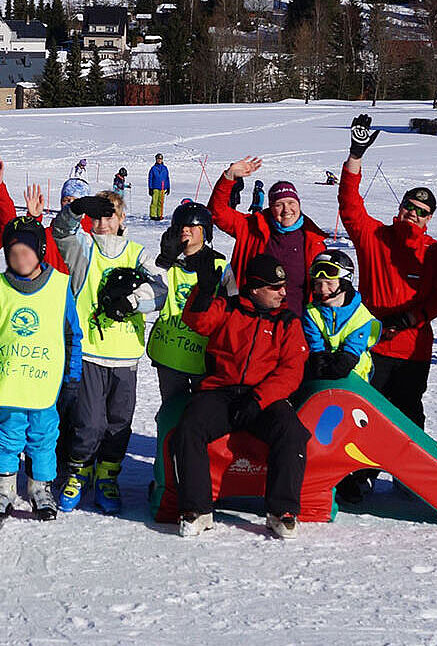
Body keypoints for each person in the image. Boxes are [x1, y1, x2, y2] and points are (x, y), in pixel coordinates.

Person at [336, 115, 437, 427]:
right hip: (371, 344)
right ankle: (361, 475)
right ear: (401, 207)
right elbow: (349, 206)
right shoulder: (375, 237)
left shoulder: (435, 253)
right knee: (366, 416)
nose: (413, 213)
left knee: (408, 419)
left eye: (421, 212)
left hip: (413, 350)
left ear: (429, 219)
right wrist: (355, 157)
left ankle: (405, 477)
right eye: (409, 206)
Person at [170, 255, 311, 539]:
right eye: (275, 287)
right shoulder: (228, 308)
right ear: (255, 288)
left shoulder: (287, 321)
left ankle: (281, 510)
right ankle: (197, 509)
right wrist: (205, 290)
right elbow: (196, 320)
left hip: (263, 397)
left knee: (292, 432)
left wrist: (258, 399)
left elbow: (291, 371)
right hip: (220, 391)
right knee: (189, 428)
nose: (283, 292)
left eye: (284, 286)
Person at [51, 193, 166, 515]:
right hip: (88, 352)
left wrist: (132, 301)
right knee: (87, 423)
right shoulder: (83, 249)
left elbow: (160, 289)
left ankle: (107, 476)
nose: (102, 224)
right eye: (97, 217)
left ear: (121, 220)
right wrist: (74, 210)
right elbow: (60, 232)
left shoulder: (136, 253)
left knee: (118, 422)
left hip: (126, 356)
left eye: (109, 216)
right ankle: (79, 472)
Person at [0, 207, 84, 525]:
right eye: (13, 251)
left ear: (40, 251)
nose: (20, 257)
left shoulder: (59, 287)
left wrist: (72, 380)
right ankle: (3, 490)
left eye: (27, 250)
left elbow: (73, 336)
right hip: (8, 384)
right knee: (5, 437)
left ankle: (39, 489)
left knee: (44, 437)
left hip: (45, 384)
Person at [302, 249, 381, 502]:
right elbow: (315, 346)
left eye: (329, 282)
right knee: (324, 430)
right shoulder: (312, 312)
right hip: (325, 382)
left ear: (344, 282)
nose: (322, 288)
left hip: (356, 384)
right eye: (318, 283)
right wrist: (319, 359)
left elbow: (351, 353)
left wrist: (338, 362)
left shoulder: (361, 315)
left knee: (353, 433)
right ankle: (323, 476)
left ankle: (355, 477)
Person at [211, 157, 332, 311]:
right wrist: (229, 176)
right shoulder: (251, 227)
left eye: (291, 203)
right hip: (253, 319)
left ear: (299, 204)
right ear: (270, 207)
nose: (286, 210)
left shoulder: (313, 240)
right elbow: (217, 212)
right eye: (279, 204)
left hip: (297, 323)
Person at [148, 202, 226, 402]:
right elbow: (148, 290)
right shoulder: (168, 264)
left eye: (192, 226)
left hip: (202, 359)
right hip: (170, 356)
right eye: (181, 226)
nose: (185, 230)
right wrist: (164, 260)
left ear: (204, 231)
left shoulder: (220, 266)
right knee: (171, 413)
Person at [0, 153, 71, 273]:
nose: (71, 205)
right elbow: (24, 240)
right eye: (66, 200)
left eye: (77, 201)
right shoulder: (48, 235)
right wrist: (33, 217)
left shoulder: (91, 234)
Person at [148, 153, 171, 221]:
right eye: (158, 159)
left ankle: (159, 215)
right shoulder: (153, 168)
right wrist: (150, 188)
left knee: (160, 202)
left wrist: (168, 187)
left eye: (160, 159)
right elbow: (150, 178)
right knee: (154, 202)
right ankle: (153, 215)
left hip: (162, 187)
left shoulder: (165, 168)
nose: (159, 160)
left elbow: (167, 178)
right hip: (155, 187)